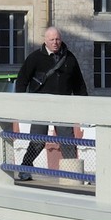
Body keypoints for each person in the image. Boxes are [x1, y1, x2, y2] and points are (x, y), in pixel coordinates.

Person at [13, 26, 87, 182]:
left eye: (58, 39)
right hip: (41, 106)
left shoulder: (69, 58)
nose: (55, 42)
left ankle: (73, 174)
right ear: (45, 40)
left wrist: (84, 104)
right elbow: (22, 80)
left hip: (63, 106)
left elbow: (79, 84)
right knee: (38, 141)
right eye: (52, 39)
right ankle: (24, 169)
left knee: (67, 139)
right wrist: (21, 102)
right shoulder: (35, 58)